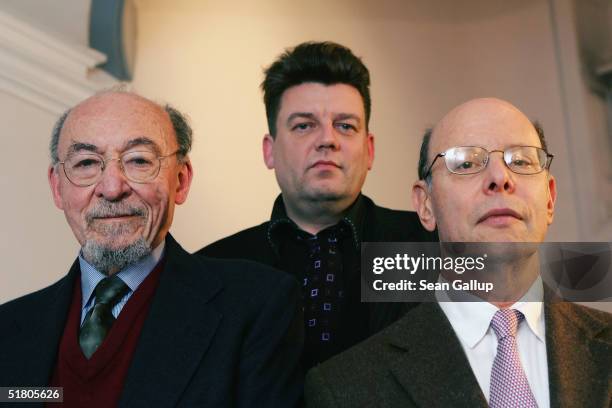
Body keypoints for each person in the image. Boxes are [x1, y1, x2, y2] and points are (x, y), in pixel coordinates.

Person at [0, 90, 303, 407]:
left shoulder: (255, 307)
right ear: (57, 187)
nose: (112, 188)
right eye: (87, 163)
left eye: (139, 161)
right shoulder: (8, 328)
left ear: (181, 181)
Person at [304, 98, 611, 407]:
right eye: (466, 163)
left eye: (520, 161)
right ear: (425, 205)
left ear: (549, 200)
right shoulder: (345, 389)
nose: (500, 178)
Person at [198, 41, 436, 370]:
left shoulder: (432, 248)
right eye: (304, 125)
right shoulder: (212, 269)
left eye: (345, 126)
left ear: (369, 150)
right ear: (270, 150)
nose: (327, 139)